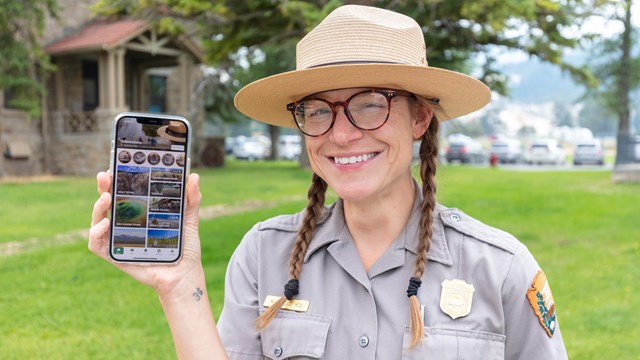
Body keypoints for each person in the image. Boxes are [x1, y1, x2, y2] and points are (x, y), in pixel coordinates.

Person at [89, 5, 568, 359]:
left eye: (369, 104)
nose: (340, 133)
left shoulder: (500, 268)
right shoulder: (264, 255)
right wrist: (178, 286)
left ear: (420, 117)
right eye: (317, 110)